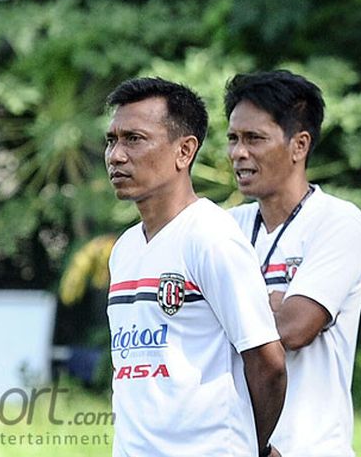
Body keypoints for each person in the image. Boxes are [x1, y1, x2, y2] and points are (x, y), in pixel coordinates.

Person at [104, 77, 287, 457]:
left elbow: (268, 362)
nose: (116, 155)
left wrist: (256, 447)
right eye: (112, 140)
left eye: (134, 139)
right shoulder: (124, 249)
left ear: (184, 151)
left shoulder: (211, 237)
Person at [224, 70, 361, 457]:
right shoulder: (225, 228)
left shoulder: (338, 222)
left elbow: (294, 328)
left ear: (299, 145)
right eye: (233, 139)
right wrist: (271, 301)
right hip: (238, 447)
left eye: (254, 138)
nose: (239, 153)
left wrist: (231, 312)